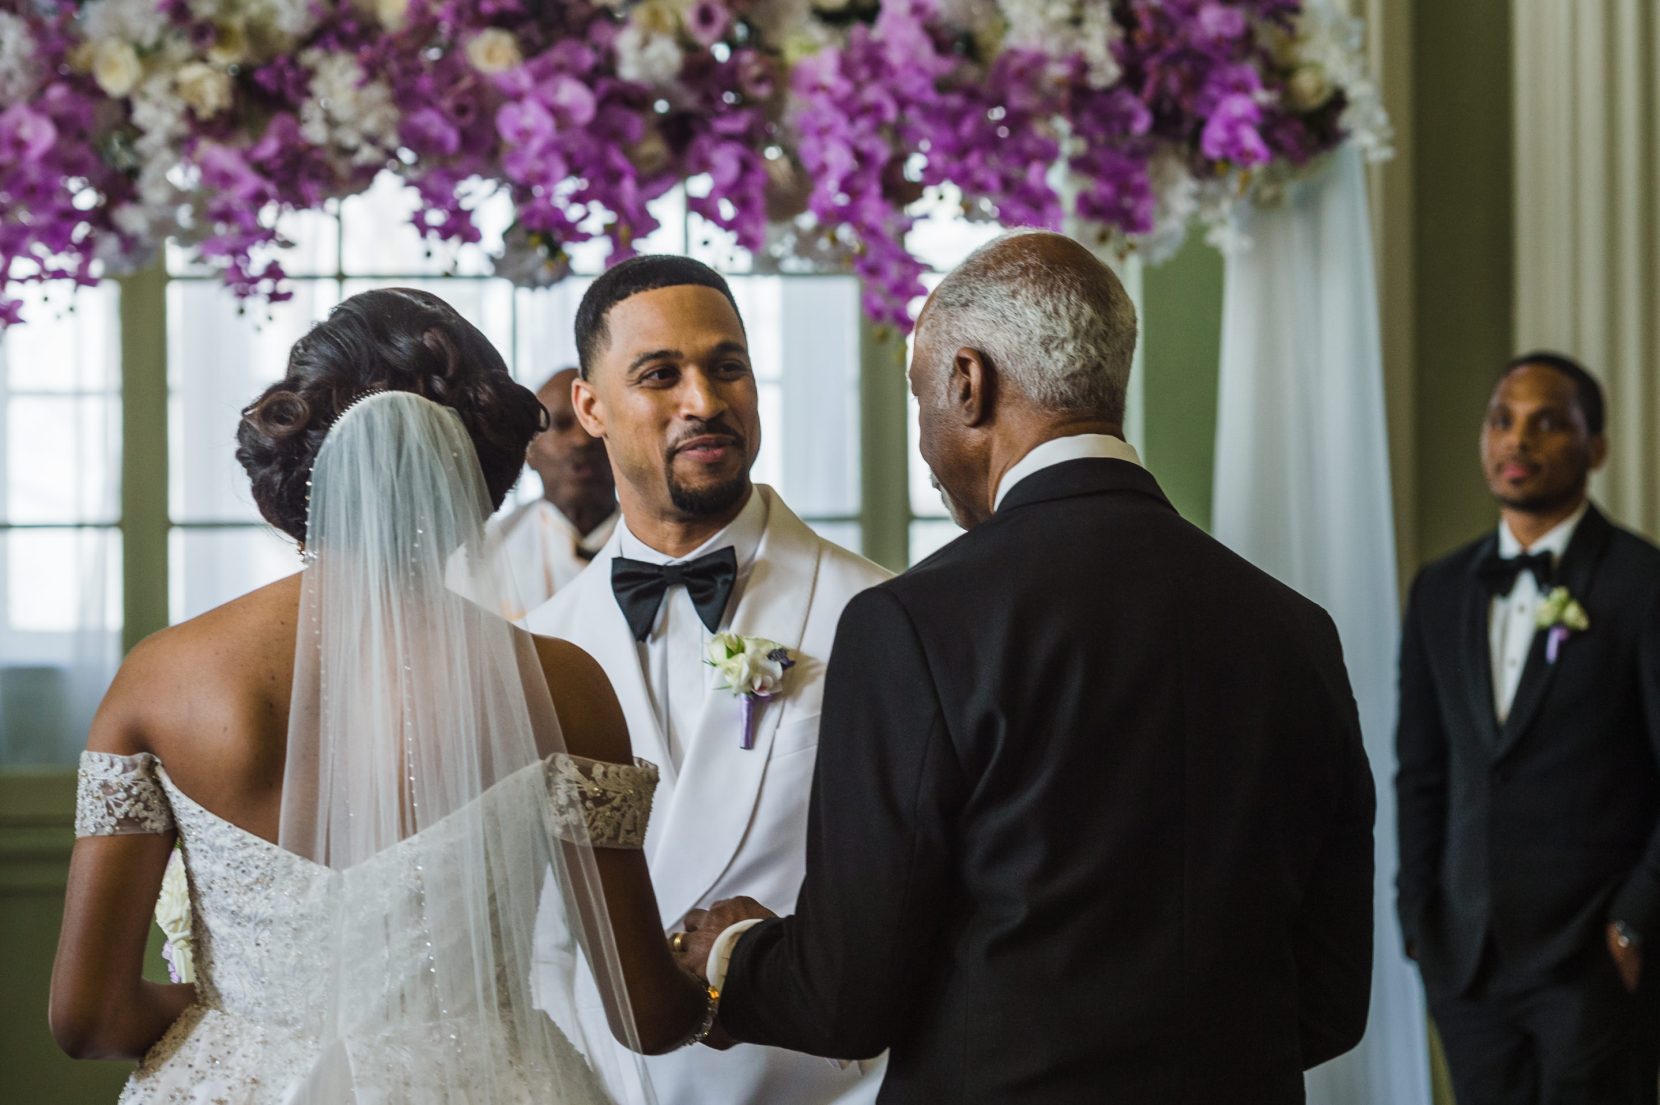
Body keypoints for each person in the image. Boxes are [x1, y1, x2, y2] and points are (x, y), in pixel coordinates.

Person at [676, 229, 1376, 1104]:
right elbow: (1335, 997)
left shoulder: (913, 623)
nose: (926, 444)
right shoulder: (1297, 629)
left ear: (970, 382)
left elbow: (847, 999)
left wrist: (731, 957)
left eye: (922, 397)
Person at [49, 288, 713, 1103]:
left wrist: (250, 1022)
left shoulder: (159, 676)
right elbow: (647, 1016)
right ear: (483, 468)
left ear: (291, 457)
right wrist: (716, 962)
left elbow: (87, 1018)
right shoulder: (563, 687)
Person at [523, 255, 890, 1105]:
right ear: (590, 407)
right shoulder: (538, 645)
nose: (706, 400)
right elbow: (541, 934)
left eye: (728, 366)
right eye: (661, 374)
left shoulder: (877, 615)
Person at [1396, 352, 1660, 1105]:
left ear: (1596, 448)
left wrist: (1634, 921)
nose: (1518, 440)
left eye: (1549, 423)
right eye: (1503, 420)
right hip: (1467, 965)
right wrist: (1418, 915)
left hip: (1594, 962)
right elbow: (1422, 765)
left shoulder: (1643, 586)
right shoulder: (1440, 589)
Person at [487, 368, 618, 620]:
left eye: (596, 420)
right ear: (529, 451)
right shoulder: (488, 555)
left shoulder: (662, 545)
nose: (582, 439)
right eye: (561, 424)